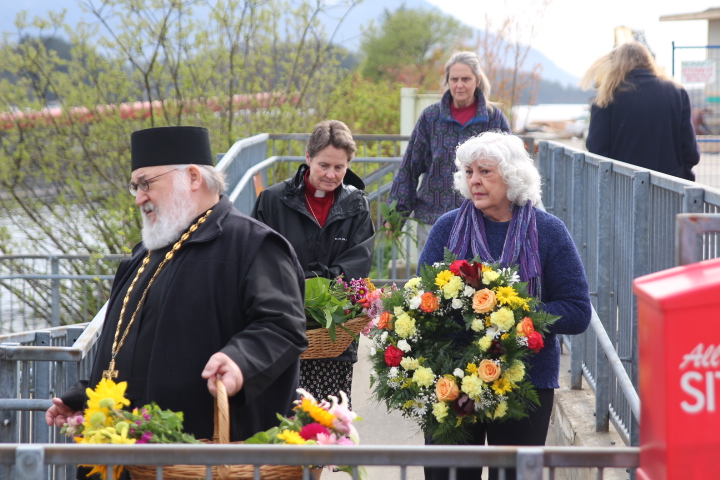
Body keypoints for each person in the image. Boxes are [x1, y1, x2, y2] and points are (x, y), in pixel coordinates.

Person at [46, 126, 307, 453]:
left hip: (206, 456)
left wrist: (240, 361)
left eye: (146, 183)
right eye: (135, 186)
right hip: (132, 456)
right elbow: (134, 349)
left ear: (193, 177)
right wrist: (86, 396)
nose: (139, 198)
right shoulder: (143, 256)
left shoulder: (254, 245)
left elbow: (282, 327)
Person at [418, 131, 592, 480]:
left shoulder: (548, 231)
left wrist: (517, 316)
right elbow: (421, 302)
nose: (474, 181)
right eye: (469, 172)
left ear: (512, 177)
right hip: (452, 377)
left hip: (524, 379)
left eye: (485, 172)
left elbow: (577, 311)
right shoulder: (447, 228)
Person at [251, 120, 374, 409]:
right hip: (283, 326)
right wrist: (303, 285)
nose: (331, 175)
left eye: (339, 167)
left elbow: (358, 263)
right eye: (324, 165)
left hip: (333, 333)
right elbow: (258, 257)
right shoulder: (272, 200)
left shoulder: (357, 204)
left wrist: (313, 284)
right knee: (283, 415)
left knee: (330, 418)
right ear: (308, 158)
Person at [387, 51, 511, 249]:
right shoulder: (430, 117)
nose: (459, 85)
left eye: (465, 79)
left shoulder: (494, 118)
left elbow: (510, 169)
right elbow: (409, 168)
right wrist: (395, 214)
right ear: (447, 81)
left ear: (478, 80)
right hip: (433, 220)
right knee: (432, 270)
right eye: (454, 79)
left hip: (482, 221)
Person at [581, 41, 700, 181]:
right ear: (648, 61)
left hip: (623, 187)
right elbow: (691, 153)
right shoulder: (677, 92)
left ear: (616, 65)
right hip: (669, 187)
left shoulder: (606, 97)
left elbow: (596, 150)